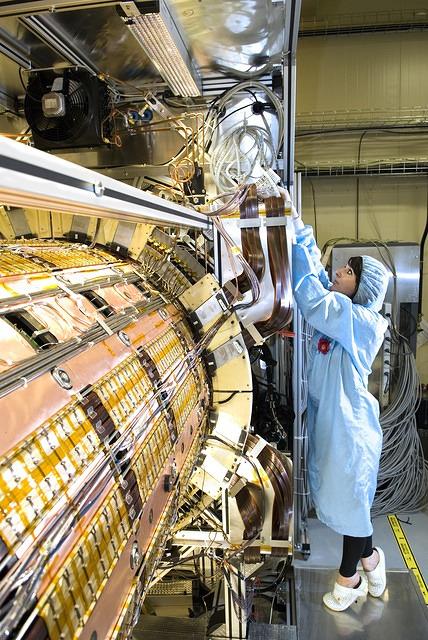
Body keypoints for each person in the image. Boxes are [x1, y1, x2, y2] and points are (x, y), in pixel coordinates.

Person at [288, 192, 389, 612]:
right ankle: (373, 562)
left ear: (361, 289)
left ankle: (348, 581)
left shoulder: (362, 321)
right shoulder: (342, 324)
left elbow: (313, 299)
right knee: (348, 505)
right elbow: (317, 297)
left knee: (350, 508)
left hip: (352, 431)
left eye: (347, 272)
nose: (339, 272)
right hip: (335, 425)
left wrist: (297, 233)